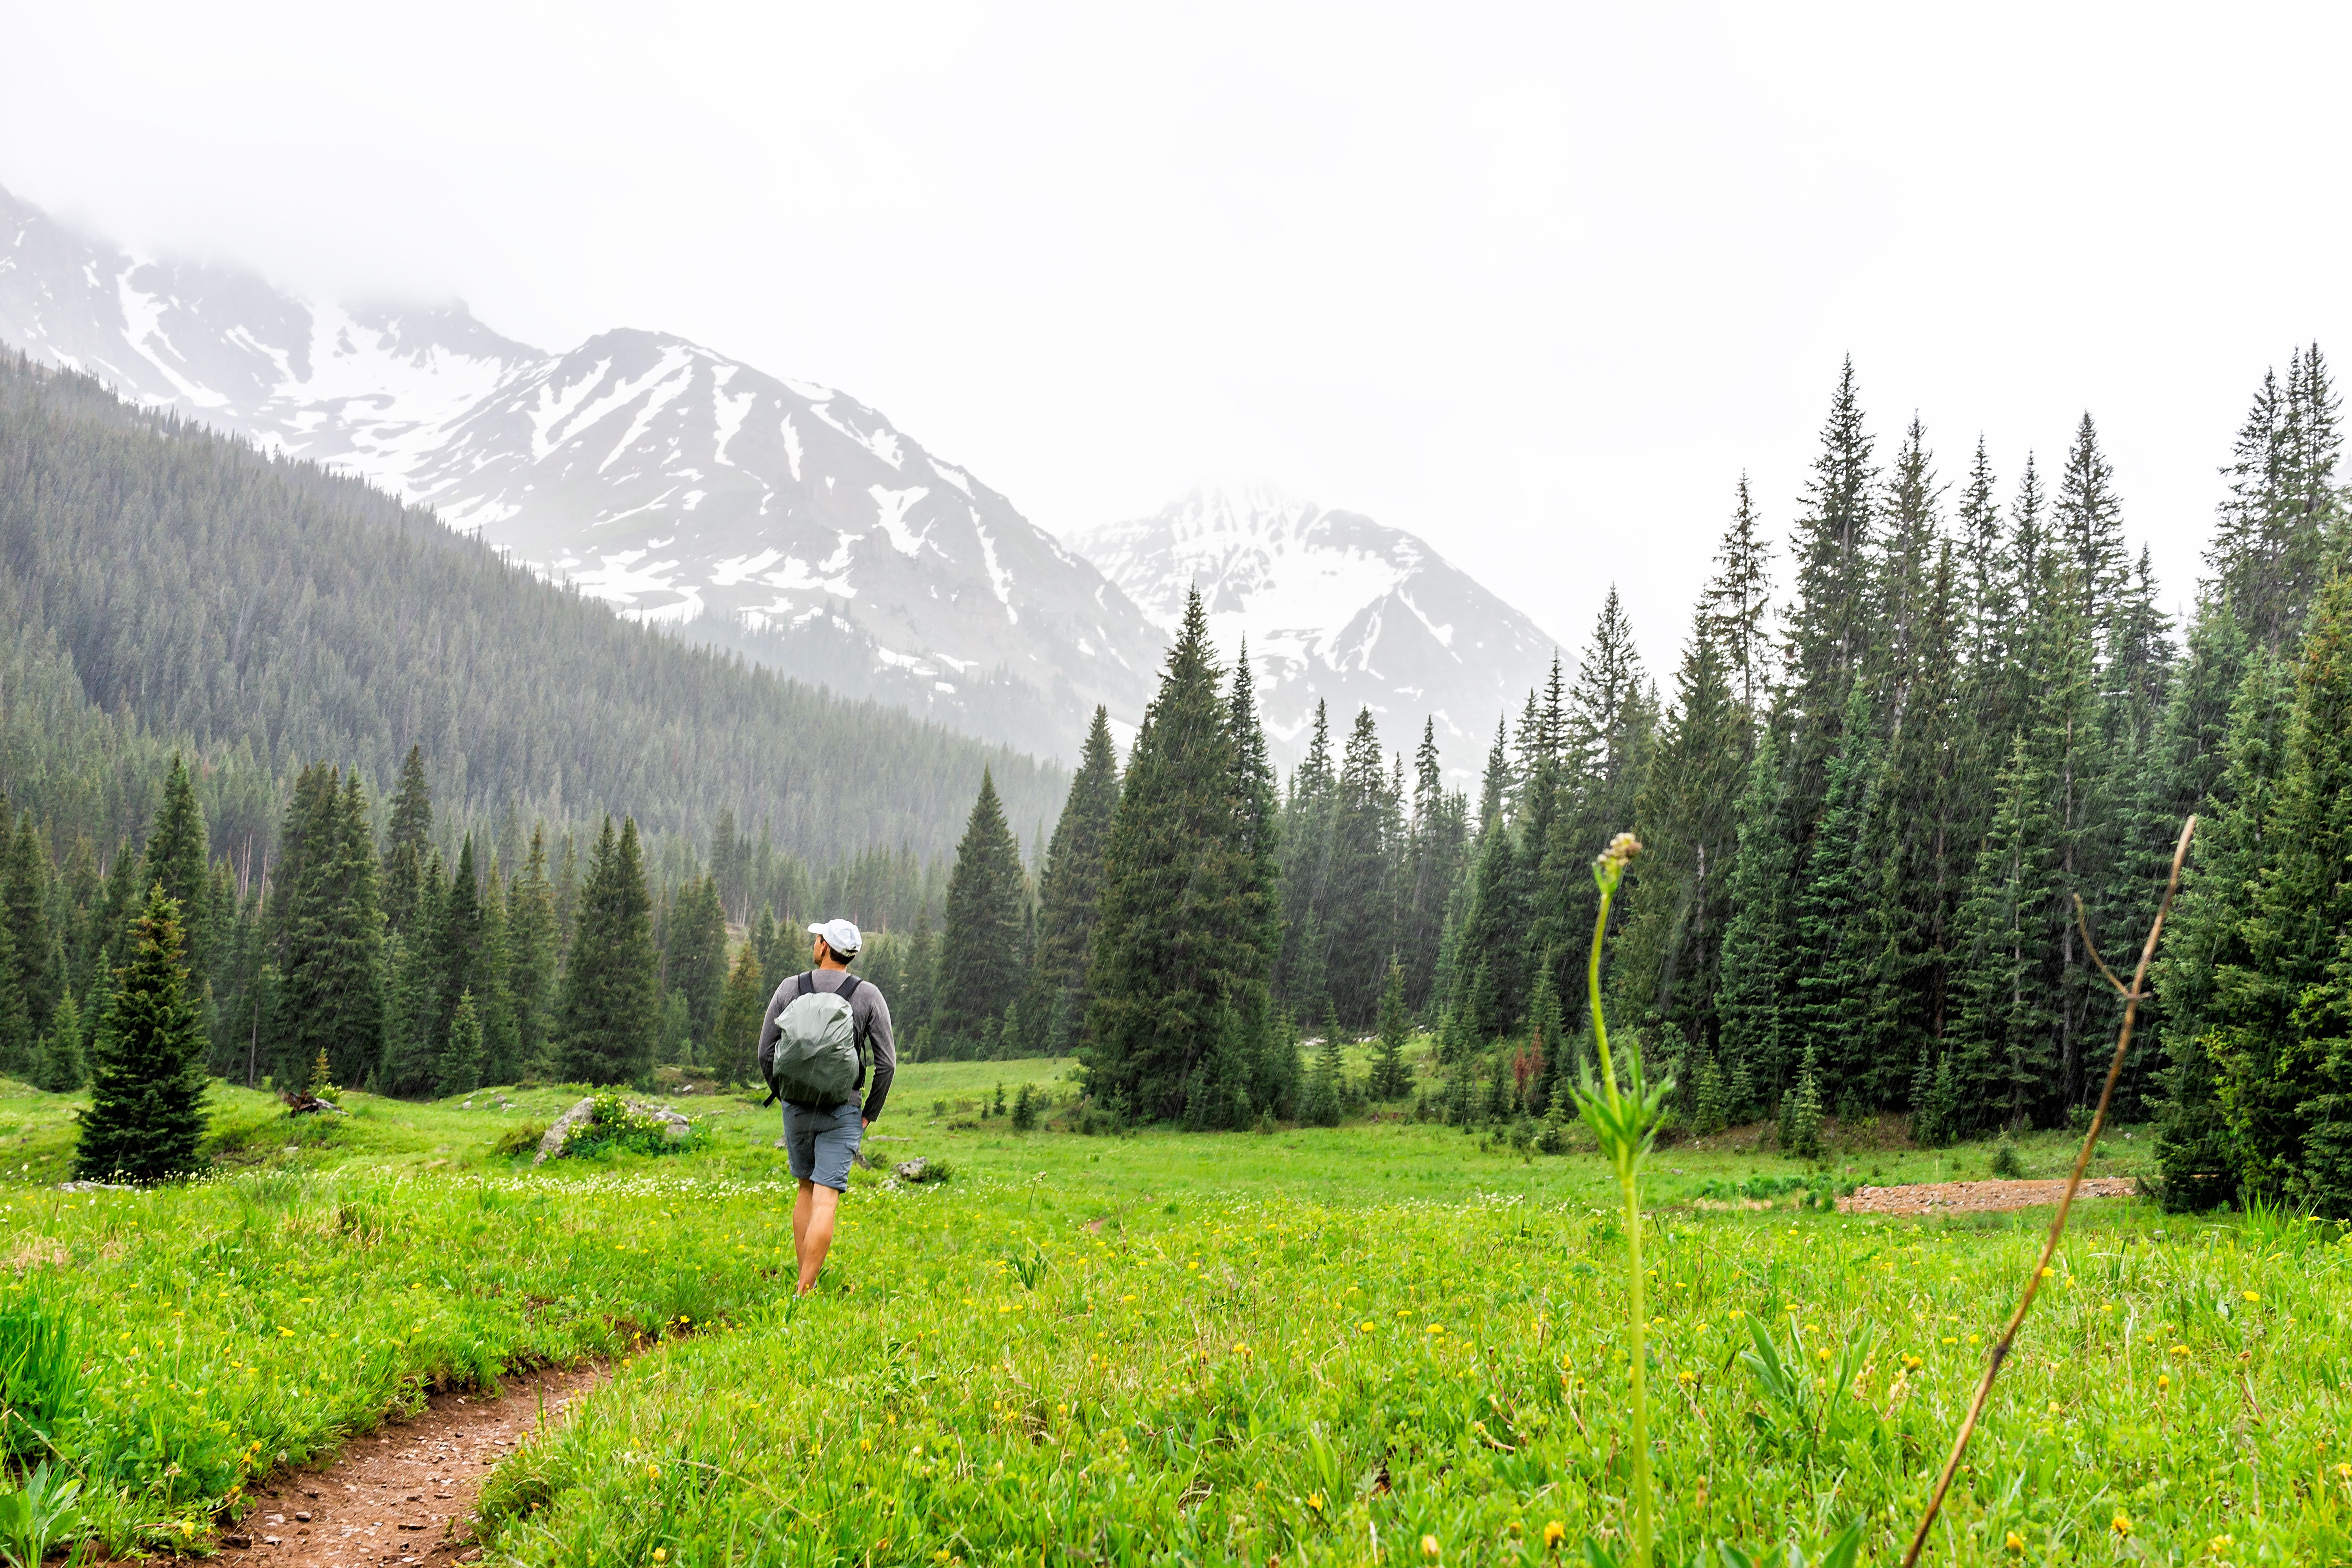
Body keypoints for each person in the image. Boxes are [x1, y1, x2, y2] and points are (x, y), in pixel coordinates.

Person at [756, 917, 896, 1294]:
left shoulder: (790, 988)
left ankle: (804, 1284)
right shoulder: (868, 995)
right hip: (843, 1106)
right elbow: (887, 1063)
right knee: (826, 1198)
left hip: (797, 1105)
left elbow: (765, 1053)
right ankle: (805, 1289)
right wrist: (869, 1113)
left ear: (822, 947)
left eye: (817, 939)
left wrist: (784, 1093)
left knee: (805, 1189)